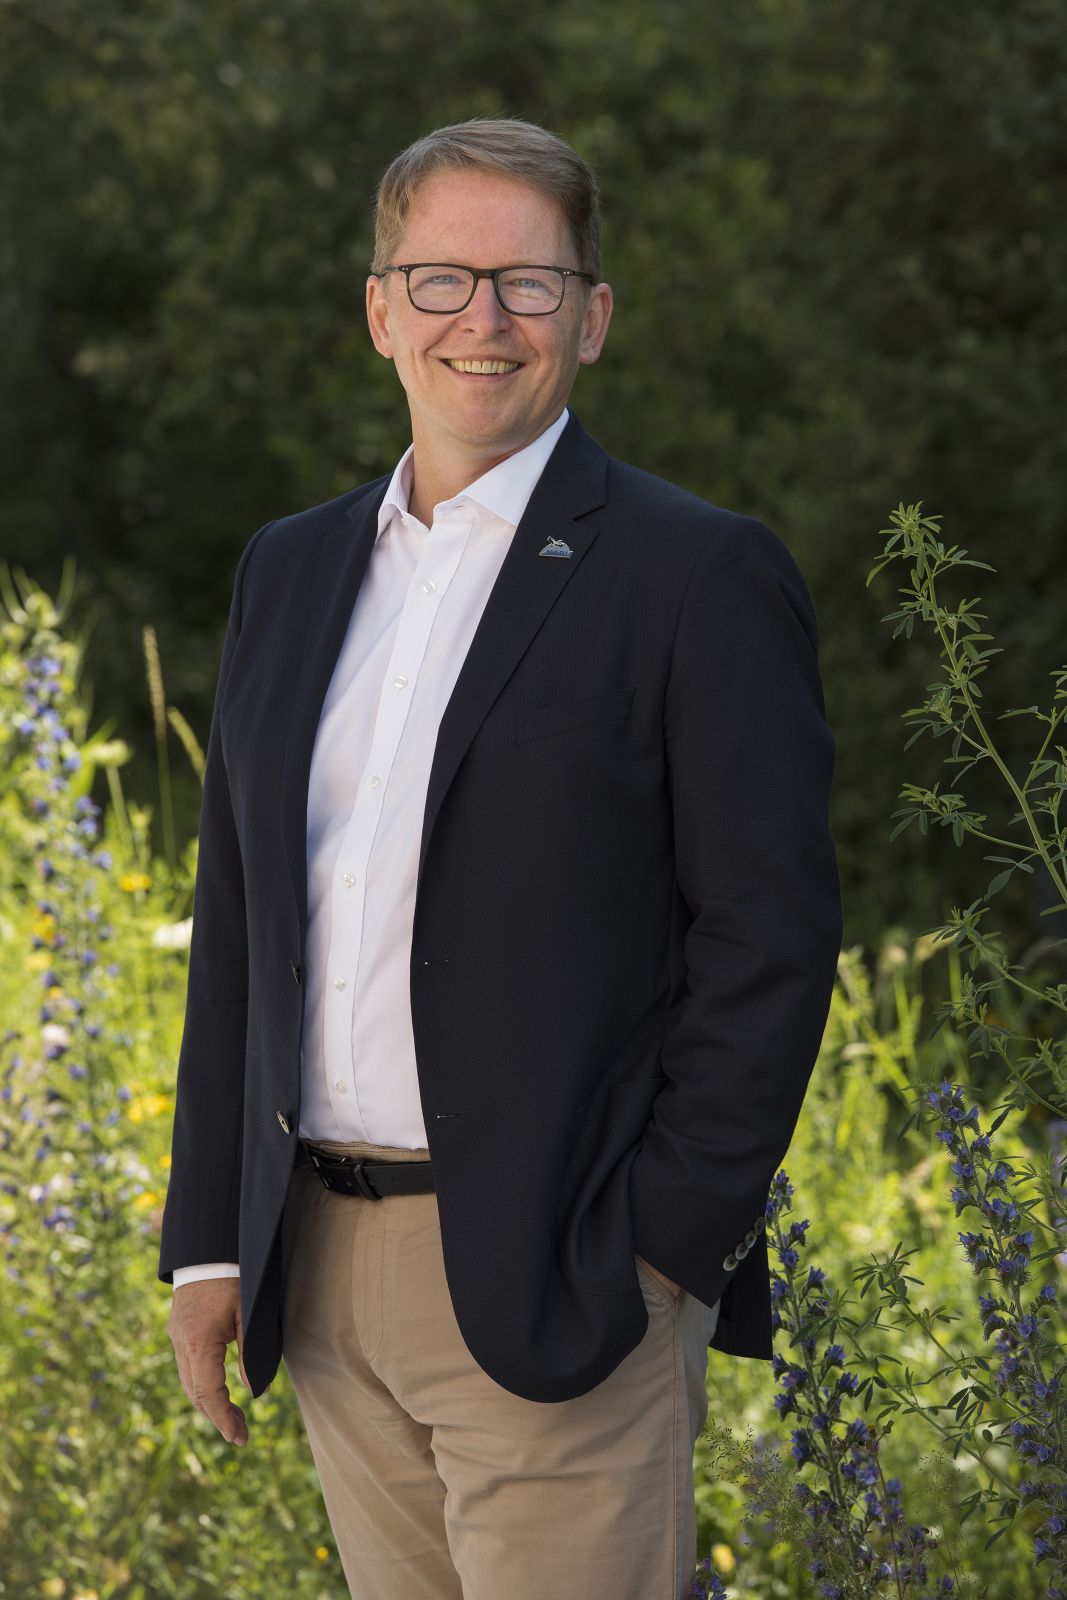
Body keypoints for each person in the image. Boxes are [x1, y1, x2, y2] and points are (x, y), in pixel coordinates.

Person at [160, 116, 843, 1600]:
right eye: (445, 278)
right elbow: (242, 919)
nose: (486, 320)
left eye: (530, 285)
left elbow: (771, 938)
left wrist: (662, 1248)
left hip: (562, 1272)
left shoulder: (695, 573)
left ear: (591, 322)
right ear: (379, 309)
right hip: (320, 1269)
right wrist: (208, 1242)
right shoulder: (287, 569)